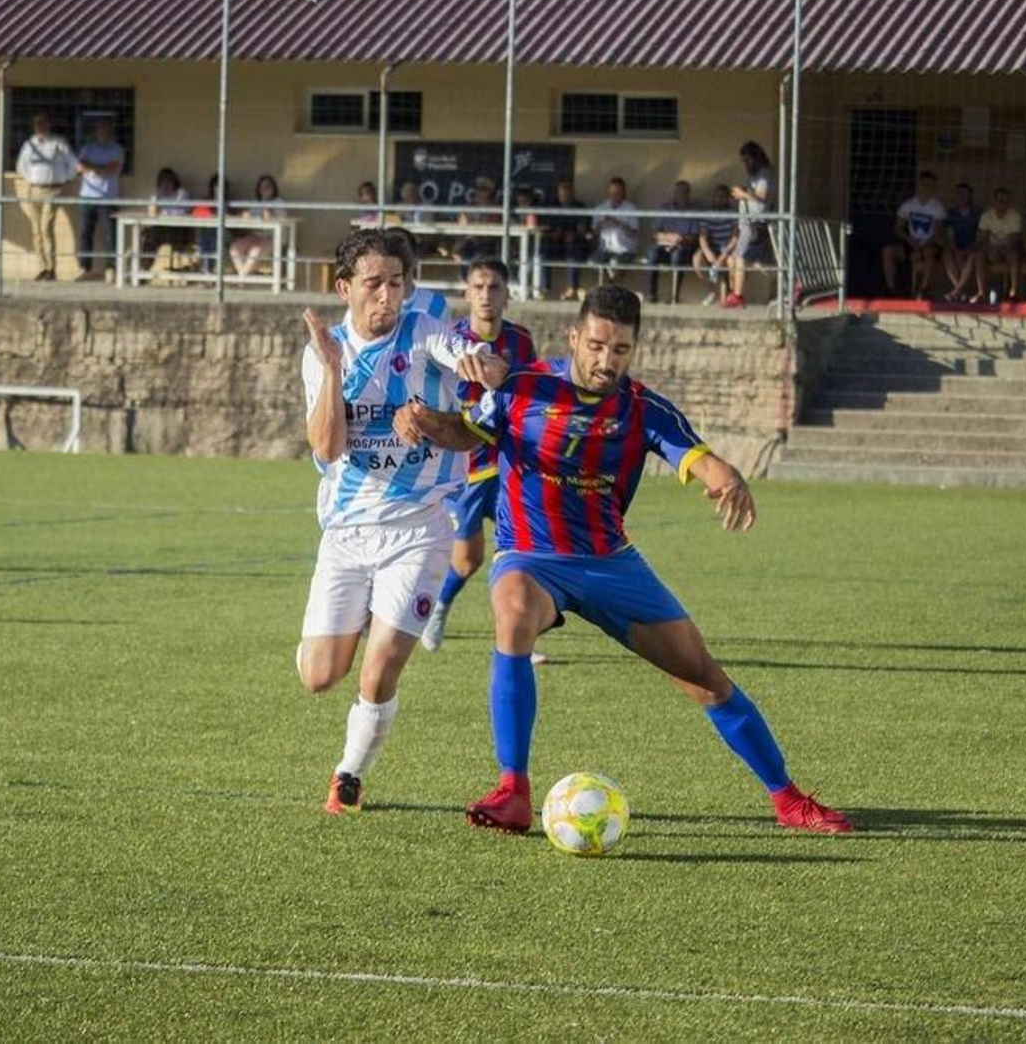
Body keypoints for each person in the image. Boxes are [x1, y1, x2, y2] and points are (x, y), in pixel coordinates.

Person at [393, 283, 853, 836]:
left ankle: (788, 799)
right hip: (531, 558)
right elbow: (467, 434)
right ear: (574, 338)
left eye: (620, 351)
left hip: (611, 564)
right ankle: (513, 790)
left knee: (704, 679)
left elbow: (699, 459)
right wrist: (424, 420)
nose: (605, 360)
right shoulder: (522, 386)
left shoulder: (644, 410)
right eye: (596, 346)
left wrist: (726, 476)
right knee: (512, 612)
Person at [297, 228, 508, 815]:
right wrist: (335, 372)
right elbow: (330, 447)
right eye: (374, 284)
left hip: (419, 528)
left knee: (380, 667)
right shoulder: (323, 351)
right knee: (319, 677)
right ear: (345, 289)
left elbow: (474, 359)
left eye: (397, 283)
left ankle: (348, 775)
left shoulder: (425, 332)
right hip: (345, 534)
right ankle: (365, 614)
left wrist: (481, 365)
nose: (387, 296)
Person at [419, 258, 540, 658]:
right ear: (467, 294)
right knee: (468, 559)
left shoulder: (521, 341)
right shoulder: (450, 340)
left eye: (494, 287)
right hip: (466, 467)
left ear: (507, 294)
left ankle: (518, 635)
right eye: (479, 287)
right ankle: (438, 608)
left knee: (521, 550)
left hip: (510, 466)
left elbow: (531, 396)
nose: (486, 295)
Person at [15, 112, 75, 281]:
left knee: (45, 229)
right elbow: (21, 166)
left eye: (43, 123)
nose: (40, 126)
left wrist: (64, 178)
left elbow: (72, 163)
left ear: (49, 124)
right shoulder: (29, 144)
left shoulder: (58, 142)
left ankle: (51, 268)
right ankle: (41, 267)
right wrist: (32, 179)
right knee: (36, 231)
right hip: (35, 189)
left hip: (53, 190)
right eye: (37, 123)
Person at [881, 171, 946, 299]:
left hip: (930, 244)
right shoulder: (908, 205)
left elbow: (937, 232)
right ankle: (890, 290)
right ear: (919, 185)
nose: (927, 188)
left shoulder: (937, 207)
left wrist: (921, 247)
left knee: (928, 252)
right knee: (887, 251)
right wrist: (909, 240)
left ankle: (924, 289)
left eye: (930, 185)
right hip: (911, 243)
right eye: (924, 184)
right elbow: (897, 228)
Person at [725, 141, 774, 308]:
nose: (745, 164)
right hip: (747, 223)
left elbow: (761, 196)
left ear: (755, 158)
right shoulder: (754, 175)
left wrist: (743, 194)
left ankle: (737, 296)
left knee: (742, 258)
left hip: (756, 223)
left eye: (747, 160)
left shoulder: (764, 174)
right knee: (750, 261)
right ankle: (736, 295)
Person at [75, 116, 124, 281]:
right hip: (87, 197)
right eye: (99, 128)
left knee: (110, 234)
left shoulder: (116, 149)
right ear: (95, 131)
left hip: (107, 198)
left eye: (105, 128)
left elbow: (110, 169)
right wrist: (96, 167)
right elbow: (79, 166)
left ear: (110, 130)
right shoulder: (88, 148)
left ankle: (111, 269)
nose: (102, 131)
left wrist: (92, 167)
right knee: (84, 233)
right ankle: (85, 268)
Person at [647, 180, 697, 304]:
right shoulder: (665, 208)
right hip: (665, 245)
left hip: (683, 246)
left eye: (685, 192)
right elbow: (654, 233)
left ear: (689, 194)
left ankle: (674, 296)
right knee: (652, 253)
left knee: (677, 257)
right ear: (674, 194)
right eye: (679, 192)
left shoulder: (693, 211)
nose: (682, 195)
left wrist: (681, 238)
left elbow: (695, 237)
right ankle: (651, 294)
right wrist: (668, 237)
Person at [229, 174, 285, 278]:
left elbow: (269, 218)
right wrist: (245, 215)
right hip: (256, 235)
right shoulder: (256, 202)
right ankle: (244, 275)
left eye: (268, 186)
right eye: (262, 187)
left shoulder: (278, 202)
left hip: (273, 237)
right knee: (235, 248)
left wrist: (266, 201)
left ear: (273, 188)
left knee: (255, 251)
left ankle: (242, 277)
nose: (265, 189)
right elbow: (249, 216)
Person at [541, 180, 589, 301]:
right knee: (544, 251)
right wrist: (553, 235)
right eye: (562, 195)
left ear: (572, 195)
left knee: (574, 251)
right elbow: (546, 229)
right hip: (556, 244)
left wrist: (574, 235)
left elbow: (583, 231)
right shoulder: (553, 206)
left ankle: (572, 289)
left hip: (574, 244)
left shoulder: (580, 207)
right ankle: (545, 288)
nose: (564, 198)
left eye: (567, 195)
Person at [976, 187, 1025, 305]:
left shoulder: (1015, 216)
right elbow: (982, 239)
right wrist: (991, 249)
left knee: (1014, 255)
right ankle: (981, 292)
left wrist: (1000, 249)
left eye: (1007, 202)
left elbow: (1014, 240)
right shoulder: (986, 216)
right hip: (991, 249)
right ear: (995, 201)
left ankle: (1013, 291)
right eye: (1001, 201)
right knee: (978, 255)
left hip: (1008, 249)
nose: (1004, 204)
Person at [693, 184, 739, 305]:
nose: (720, 199)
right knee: (697, 260)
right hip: (712, 246)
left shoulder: (732, 213)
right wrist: (708, 253)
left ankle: (731, 294)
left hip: (727, 248)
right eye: (717, 196)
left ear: (728, 198)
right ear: (713, 197)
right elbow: (702, 237)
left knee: (731, 262)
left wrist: (722, 256)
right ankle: (711, 291)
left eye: (723, 197)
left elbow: (735, 238)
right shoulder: (707, 213)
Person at [590, 176, 640, 283]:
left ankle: (610, 290)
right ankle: (607, 288)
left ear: (624, 193)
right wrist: (602, 224)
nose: (614, 196)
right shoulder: (600, 208)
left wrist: (618, 224)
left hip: (625, 250)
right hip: (604, 250)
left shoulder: (631, 208)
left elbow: (634, 233)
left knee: (616, 264)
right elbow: (594, 232)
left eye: (618, 193)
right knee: (593, 262)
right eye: (612, 192)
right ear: (608, 192)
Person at [940, 183, 983, 302]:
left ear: (970, 196)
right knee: (947, 254)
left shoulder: (977, 213)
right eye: (959, 194)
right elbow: (950, 237)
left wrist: (967, 250)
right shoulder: (951, 213)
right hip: (957, 247)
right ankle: (960, 291)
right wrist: (956, 249)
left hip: (972, 247)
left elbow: (979, 238)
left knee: (972, 255)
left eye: (965, 194)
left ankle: (956, 291)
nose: (962, 196)